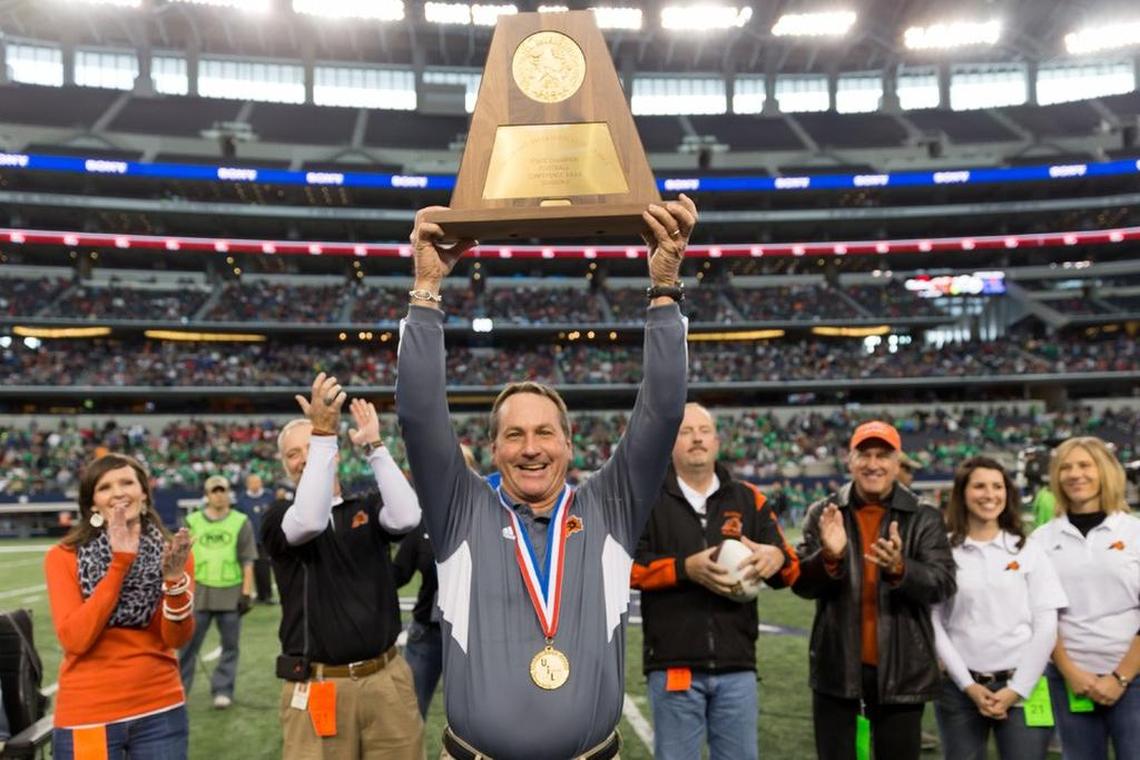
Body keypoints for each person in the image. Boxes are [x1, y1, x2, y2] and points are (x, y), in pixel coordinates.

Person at [396, 196, 695, 760]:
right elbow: (419, 414)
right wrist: (427, 287)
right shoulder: (461, 510)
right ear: (492, 449)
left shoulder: (610, 507)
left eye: (544, 433)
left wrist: (664, 289)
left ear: (569, 443)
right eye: (514, 435)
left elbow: (662, 412)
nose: (531, 449)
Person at [262, 380, 426, 760]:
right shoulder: (277, 517)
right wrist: (322, 434)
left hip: (386, 678)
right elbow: (310, 520)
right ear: (284, 466)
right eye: (293, 454)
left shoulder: (363, 507)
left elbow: (407, 516)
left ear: (333, 452)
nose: (302, 458)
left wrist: (375, 446)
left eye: (311, 447)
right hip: (319, 683)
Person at [631, 403, 800, 760]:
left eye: (703, 431)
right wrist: (683, 568)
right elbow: (627, 568)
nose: (696, 438)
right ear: (669, 444)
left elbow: (791, 569)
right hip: (672, 662)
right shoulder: (647, 500)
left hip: (737, 665)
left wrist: (777, 557)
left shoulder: (749, 499)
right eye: (685, 431)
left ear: (717, 442)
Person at [793, 420, 957, 760]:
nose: (873, 464)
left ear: (897, 463)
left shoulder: (923, 516)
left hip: (902, 670)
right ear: (850, 461)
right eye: (864, 454)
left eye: (883, 455)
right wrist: (830, 557)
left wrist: (901, 569)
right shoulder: (824, 513)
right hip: (836, 668)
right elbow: (801, 585)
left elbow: (942, 583)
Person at [45, 454, 194, 759]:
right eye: (105, 487)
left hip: (160, 708)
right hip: (88, 712)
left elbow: (175, 639)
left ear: (144, 493)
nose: (118, 493)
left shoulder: (173, 554)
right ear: (92, 505)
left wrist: (174, 582)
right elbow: (75, 640)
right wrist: (120, 563)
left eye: (127, 482)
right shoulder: (62, 556)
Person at [931, 456, 1067, 760]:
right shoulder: (943, 551)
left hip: (1025, 687)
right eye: (979, 486)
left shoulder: (1029, 549)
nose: (989, 494)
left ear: (1008, 493)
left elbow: (1046, 626)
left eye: (997, 486)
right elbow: (934, 621)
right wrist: (967, 685)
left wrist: (1016, 689)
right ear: (962, 494)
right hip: (958, 691)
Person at [1033, 436, 1140, 759]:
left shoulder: (1134, 533)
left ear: (1104, 471)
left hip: (1133, 679)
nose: (1074, 474)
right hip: (1068, 680)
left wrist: (1121, 676)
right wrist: (1071, 672)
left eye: (1084, 465)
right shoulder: (1040, 540)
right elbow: (1041, 616)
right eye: (1065, 467)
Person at [394, 446, 476, 718]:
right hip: (427, 634)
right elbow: (397, 574)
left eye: (460, 465)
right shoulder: (421, 519)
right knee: (410, 714)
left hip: (477, 635)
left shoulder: (490, 518)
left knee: (480, 719)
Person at [179, 474, 257, 709]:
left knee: (230, 647)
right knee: (187, 647)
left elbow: (248, 559)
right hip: (200, 592)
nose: (219, 494)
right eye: (214, 491)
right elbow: (182, 558)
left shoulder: (240, 521)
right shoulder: (192, 521)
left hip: (231, 593)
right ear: (207, 495)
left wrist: (246, 592)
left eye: (222, 490)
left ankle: (223, 690)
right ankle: (179, 692)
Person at [237, 472, 277, 603]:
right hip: (248, 539)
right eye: (252, 482)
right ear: (247, 484)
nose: (255, 485)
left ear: (261, 483)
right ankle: (248, 595)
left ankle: (266, 596)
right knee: (247, 567)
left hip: (265, 539)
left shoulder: (269, 497)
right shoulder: (242, 499)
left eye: (257, 482)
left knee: (264, 567)